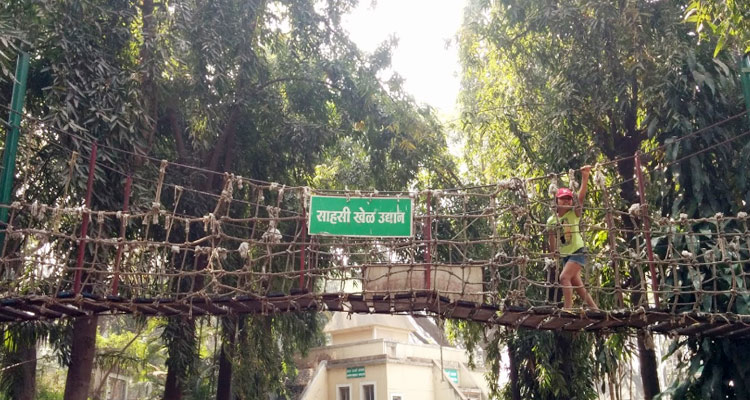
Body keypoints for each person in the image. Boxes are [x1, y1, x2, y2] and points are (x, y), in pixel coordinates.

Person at [547, 165, 598, 310]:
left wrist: (585, 177)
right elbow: (551, 237)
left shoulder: (573, 214)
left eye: (569, 199)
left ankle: (567, 308)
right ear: (556, 201)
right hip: (565, 255)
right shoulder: (552, 220)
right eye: (563, 199)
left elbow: (580, 199)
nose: (566, 201)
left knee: (564, 277)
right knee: (577, 284)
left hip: (578, 251)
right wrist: (553, 252)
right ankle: (595, 309)